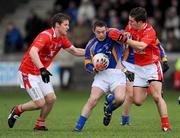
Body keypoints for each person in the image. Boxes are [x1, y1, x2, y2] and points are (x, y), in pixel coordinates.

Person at [8, 13, 85, 131]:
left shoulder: (62, 38)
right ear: (57, 25)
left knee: (51, 98)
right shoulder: (46, 35)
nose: (68, 27)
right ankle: (17, 109)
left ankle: (40, 124)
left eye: (68, 25)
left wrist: (92, 52)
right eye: (66, 25)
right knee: (40, 103)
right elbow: (33, 52)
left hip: (40, 72)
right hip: (27, 72)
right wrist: (42, 69)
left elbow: (74, 51)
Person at [108, 7, 171, 132]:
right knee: (137, 101)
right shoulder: (130, 27)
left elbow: (141, 45)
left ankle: (166, 126)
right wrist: (115, 34)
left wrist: (126, 39)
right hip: (138, 68)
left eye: (132, 21)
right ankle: (149, 86)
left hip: (152, 66)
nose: (129, 23)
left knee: (157, 97)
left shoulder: (150, 31)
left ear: (141, 22)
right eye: (129, 21)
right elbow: (123, 36)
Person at [73, 20, 133, 132]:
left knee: (120, 99)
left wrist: (126, 34)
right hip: (102, 75)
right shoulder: (91, 45)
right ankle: (78, 128)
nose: (101, 34)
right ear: (93, 31)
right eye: (98, 32)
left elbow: (124, 35)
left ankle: (108, 110)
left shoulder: (113, 36)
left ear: (106, 29)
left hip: (117, 73)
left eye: (103, 32)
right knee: (93, 100)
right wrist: (94, 68)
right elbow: (87, 62)